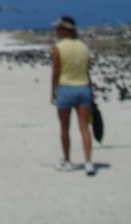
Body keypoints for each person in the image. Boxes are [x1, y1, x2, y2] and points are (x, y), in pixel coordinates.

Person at [50, 15, 96, 175]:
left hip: (66, 89)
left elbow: (56, 72)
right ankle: (88, 162)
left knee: (64, 127)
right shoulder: (84, 47)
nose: (56, 31)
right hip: (83, 89)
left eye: (58, 28)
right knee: (84, 127)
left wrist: (53, 91)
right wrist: (91, 92)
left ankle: (67, 160)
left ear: (65, 30)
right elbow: (86, 71)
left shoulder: (59, 47)